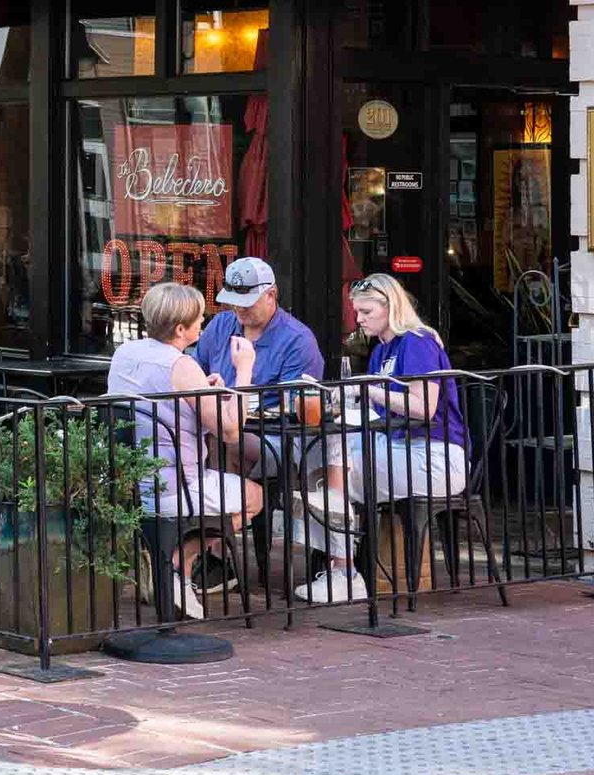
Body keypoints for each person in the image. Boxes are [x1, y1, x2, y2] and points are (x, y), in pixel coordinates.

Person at [292, 273, 471, 605]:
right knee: (315, 460)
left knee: (331, 469)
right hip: (398, 447)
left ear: (391, 306)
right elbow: (378, 413)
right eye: (357, 312)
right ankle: (342, 568)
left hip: (433, 455)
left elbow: (423, 407)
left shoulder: (417, 341)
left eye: (366, 311)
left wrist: (368, 390)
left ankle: (345, 573)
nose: (359, 320)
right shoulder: (380, 351)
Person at [107, 281, 263, 619]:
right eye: (199, 318)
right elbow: (230, 431)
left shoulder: (125, 353)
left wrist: (203, 389)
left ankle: (171, 567)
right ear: (180, 329)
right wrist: (245, 370)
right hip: (177, 488)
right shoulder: (181, 365)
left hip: (133, 483)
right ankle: (178, 563)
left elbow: (162, 401)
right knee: (255, 496)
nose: (203, 323)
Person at [194, 256, 325, 476]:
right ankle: (214, 493)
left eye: (247, 302)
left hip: (276, 435)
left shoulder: (297, 339)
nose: (239, 308)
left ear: (271, 295)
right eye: (234, 301)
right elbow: (196, 371)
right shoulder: (220, 324)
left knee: (232, 441)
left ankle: (229, 496)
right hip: (222, 423)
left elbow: (296, 409)